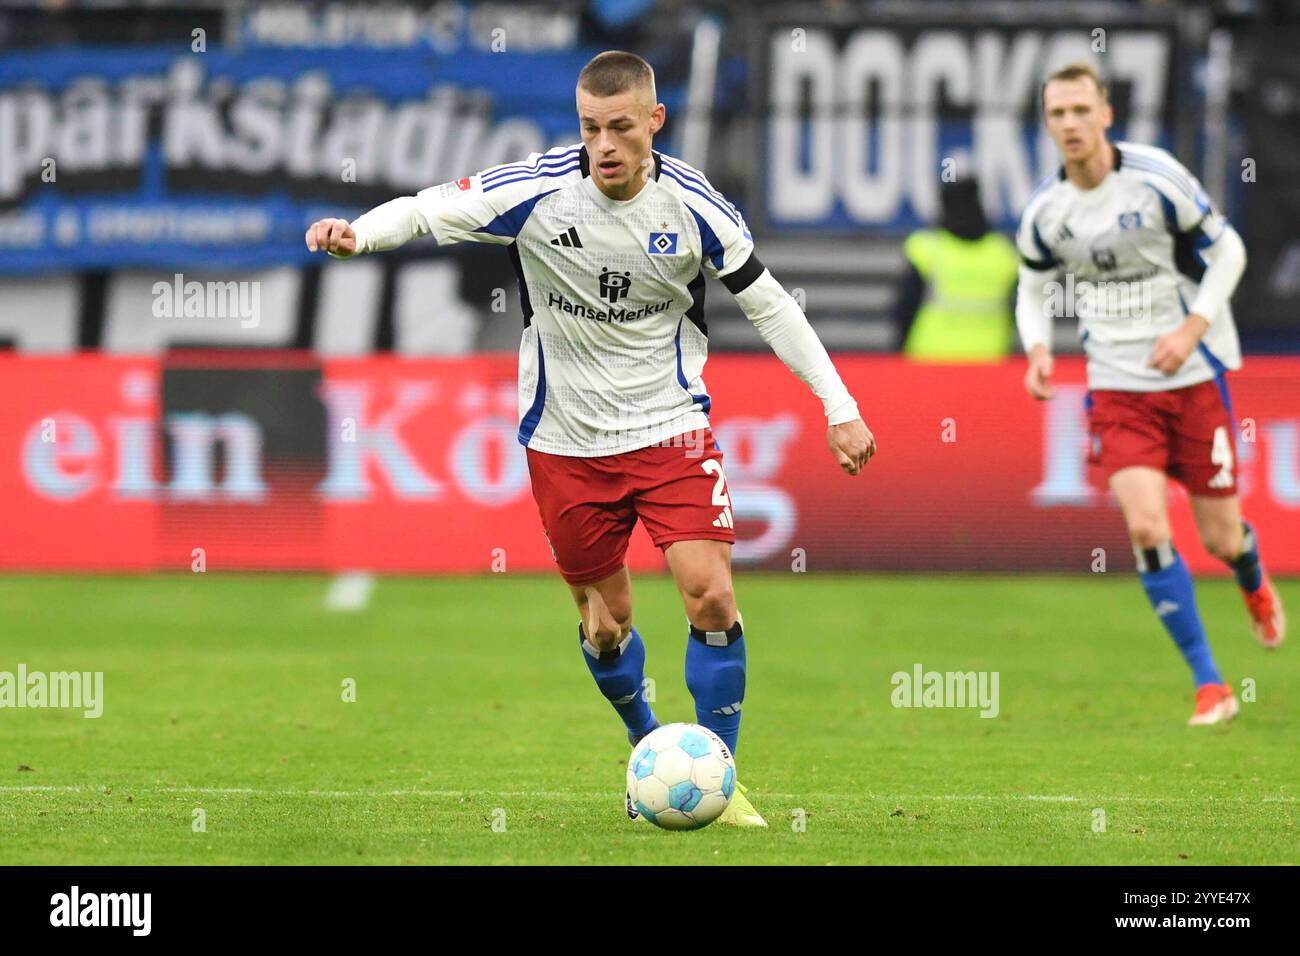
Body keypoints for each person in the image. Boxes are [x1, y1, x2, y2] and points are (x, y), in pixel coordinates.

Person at [305, 51, 876, 822]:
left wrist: (838, 404)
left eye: (619, 127)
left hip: (671, 427)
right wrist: (358, 236)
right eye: (589, 128)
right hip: (567, 441)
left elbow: (771, 305)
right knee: (607, 625)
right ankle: (650, 751)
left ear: (653, 122)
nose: (603, 144)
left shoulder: (694, 205)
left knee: (709, 595)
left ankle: (719, 775)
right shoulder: (537, 191)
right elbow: (423, 207)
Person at [1015, 62, 1284, 727]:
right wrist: (1039, 348)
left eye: (1082, 110)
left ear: (1106, 113)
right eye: (1058, 114)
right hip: (1116, 389)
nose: (1071, 124)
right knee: (1144, 526)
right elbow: (1031, 286)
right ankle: (1209, 683)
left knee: (1220, 539)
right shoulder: (1046, 213)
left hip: (1192, 381)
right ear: (1047, 124)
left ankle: (1249, 573)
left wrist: (1193, 330)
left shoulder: (1158, 178)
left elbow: (1230, 253)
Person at [895, 178, 1020, 361]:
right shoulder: (1003, 252)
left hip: (929, 358)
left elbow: (904, 308)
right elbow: (1019, 310)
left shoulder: (926, 248)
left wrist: (898, 351)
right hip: (989, 359)